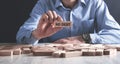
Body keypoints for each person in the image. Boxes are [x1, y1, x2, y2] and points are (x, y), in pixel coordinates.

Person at [16, 0, 120, 45]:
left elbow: (117, 34)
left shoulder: (96, 3)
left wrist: (84, 38)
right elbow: (21, 36)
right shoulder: (43, 4)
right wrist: (37, 34)